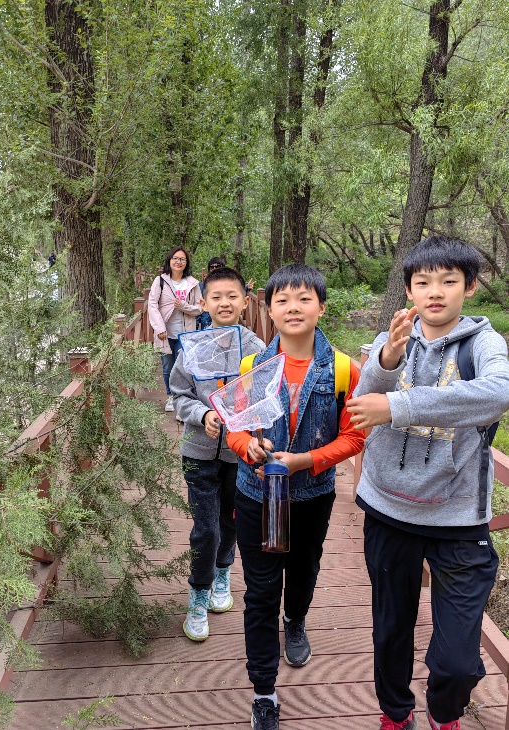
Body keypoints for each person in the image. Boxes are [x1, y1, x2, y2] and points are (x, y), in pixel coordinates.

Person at [347, 236, 509, 730]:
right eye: (423, 282)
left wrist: (400, 405)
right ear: (409, 289)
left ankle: (444, 711)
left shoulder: (483, 343)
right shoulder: (392, 335)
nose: (434, 292)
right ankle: (395, 713)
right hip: (388, 509)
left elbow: (499, 392)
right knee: (391, 630)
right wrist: (386, 360)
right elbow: (362, 405)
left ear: (470, 286)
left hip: (458, 517)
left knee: (457, 659)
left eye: (448, 281)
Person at [226, 263, 366, 730]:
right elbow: (235, 428)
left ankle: (297, 619)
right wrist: (248, 447)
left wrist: (305, 460)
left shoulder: (344, 370)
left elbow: (354, 438)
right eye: (282, 300)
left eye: (304, 298)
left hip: (311, 497)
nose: (293, 308)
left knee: (303, 572)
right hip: (258, 496)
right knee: (261, 591)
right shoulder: (252, 367)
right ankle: (264, 692)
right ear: (268, 309)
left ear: (321, 307)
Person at [169, 267, 266, 641]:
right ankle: (198, 593)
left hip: (239, 455)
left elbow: (266, 398)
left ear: (245, 301)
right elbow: (179, 395)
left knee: (231, 522)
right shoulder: (191, 347)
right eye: (216, 297)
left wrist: (248, 429)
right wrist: (203, 414)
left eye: (232, 296)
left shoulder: (257, 349)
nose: (224, 303)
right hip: (199, 452)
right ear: (203, 303)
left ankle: (223, 572)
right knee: (206, 527)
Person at [147, 247, 202, 414]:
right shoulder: (160, 281)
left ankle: (182, 398)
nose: (178, 262)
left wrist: (184, 306)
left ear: (186, 263)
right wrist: (159, 328)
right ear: (169, 260)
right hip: (165, 333)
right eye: (175, 258)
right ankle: (171, 396)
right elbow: (152, 305)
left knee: (184, 367)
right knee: (167, 367)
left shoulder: (193, 283)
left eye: (182, 259)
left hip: (186, 334)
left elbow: (200, 307)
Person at [196, 257, 226, 330]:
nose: (215, 269)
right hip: (207, 321)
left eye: (218, 266)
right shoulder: (202, 286)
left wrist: (246, 288)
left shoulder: (228, 284)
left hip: (224, 319)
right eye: (212, 267)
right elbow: (198, 304)